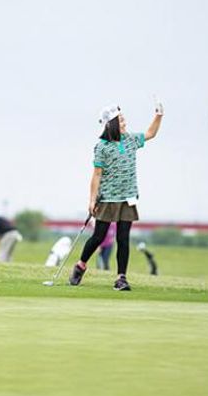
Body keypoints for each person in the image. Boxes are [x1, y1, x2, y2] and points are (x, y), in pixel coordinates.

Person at [69, 100, 163, 291]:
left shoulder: (130, 140)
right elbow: (96, 175)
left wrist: (158, 115)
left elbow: (151, 133)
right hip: (107, 199)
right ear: (110, 123)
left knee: (123, 238)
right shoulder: (102, 146)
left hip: (128, 198)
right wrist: (92, 200)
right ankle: (80, 266)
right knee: (98, 236)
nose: (124, 122)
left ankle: (121, 278)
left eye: (123, 118)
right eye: (120, 120)